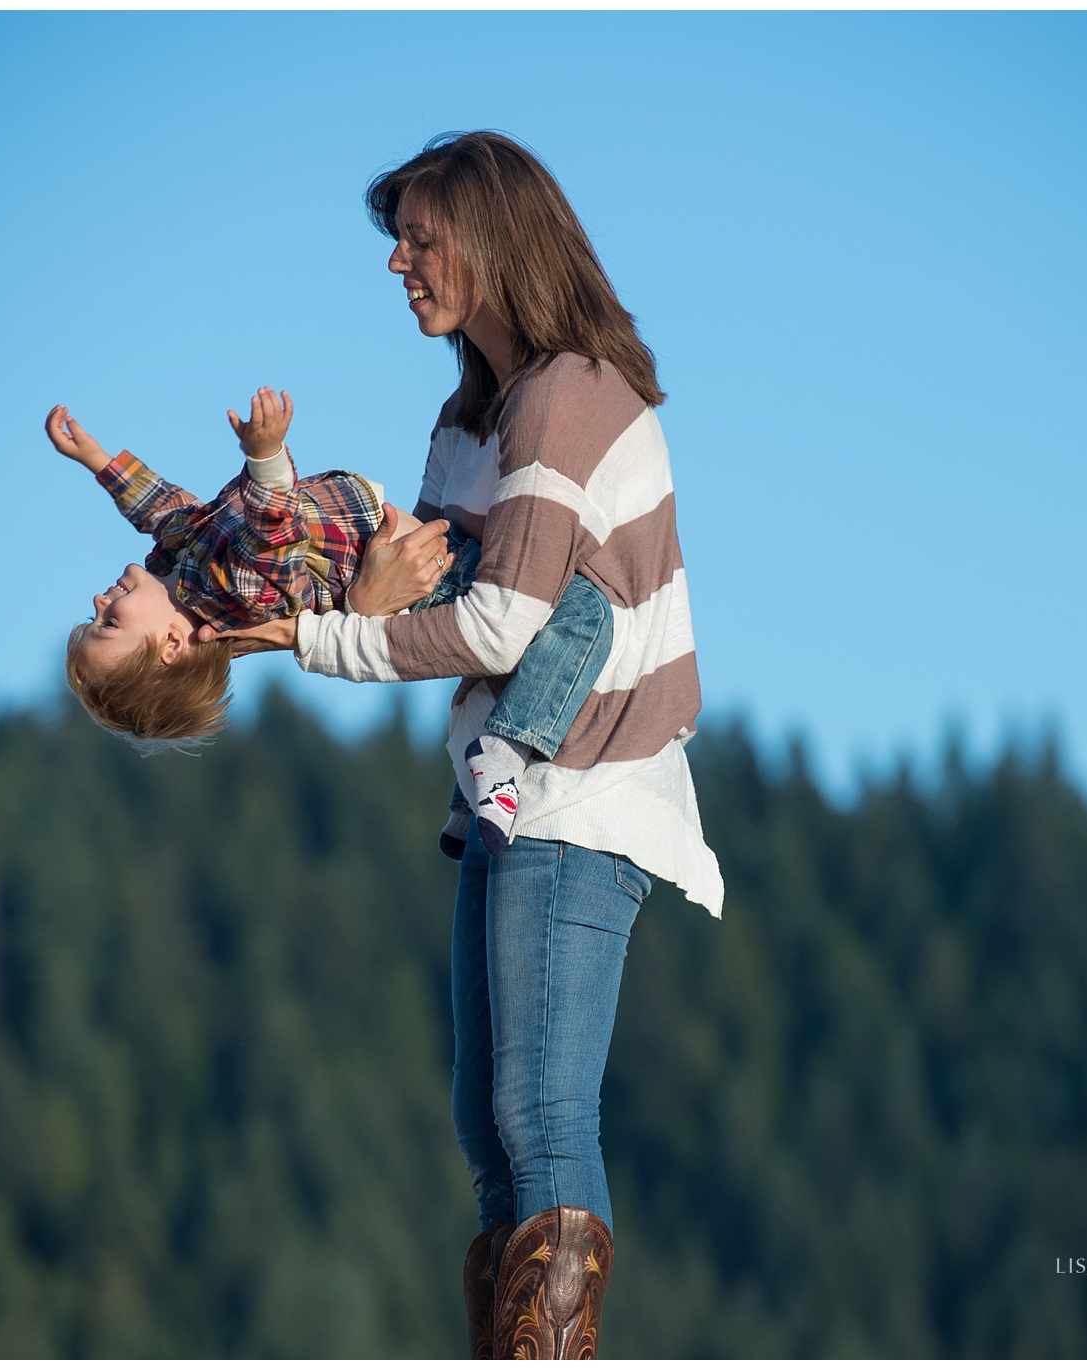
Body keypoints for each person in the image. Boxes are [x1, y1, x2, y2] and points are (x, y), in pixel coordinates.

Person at [203, 132, 724, 1360]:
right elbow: (407, 577)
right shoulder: (473, 415)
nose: (396, 261)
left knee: (539, 1113)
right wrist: (243, 603)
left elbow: (495, 621)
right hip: (507, 795)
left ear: (488, 243)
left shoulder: (565, 396)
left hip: (576, 796)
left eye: (419, 236)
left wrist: (324, 638)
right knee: (490, 1136)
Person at [46, 387, 613, 853]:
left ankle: (467, 804)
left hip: (404, 557)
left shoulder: (185, 560)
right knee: (583, 610)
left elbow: (165, 508)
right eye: (109, 625)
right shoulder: (234, 588)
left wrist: (98, 461)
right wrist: (267, 456)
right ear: (172, 645)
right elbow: (273, 531)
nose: (100, 603)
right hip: (433, 580)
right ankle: (506, 751)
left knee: (514, 658)